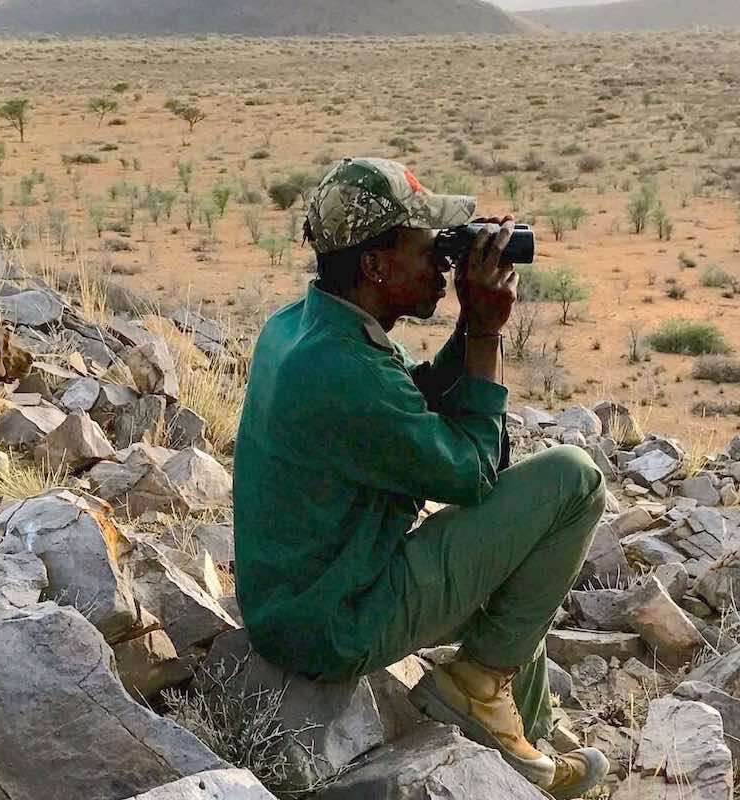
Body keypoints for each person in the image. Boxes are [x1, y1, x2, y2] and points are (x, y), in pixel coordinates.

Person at [232, 157, 609, 798]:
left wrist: (468, 323)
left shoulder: (309, 327)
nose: (444, 260)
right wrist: (486, 330)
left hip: (301, 593)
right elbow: (474, 473)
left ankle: (525, 743)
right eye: (429, 245)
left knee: (513, 560)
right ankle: (481, 688)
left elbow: (416, 402)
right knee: (574, 481)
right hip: (332, 618)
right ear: (376, 266)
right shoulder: (344, 370)